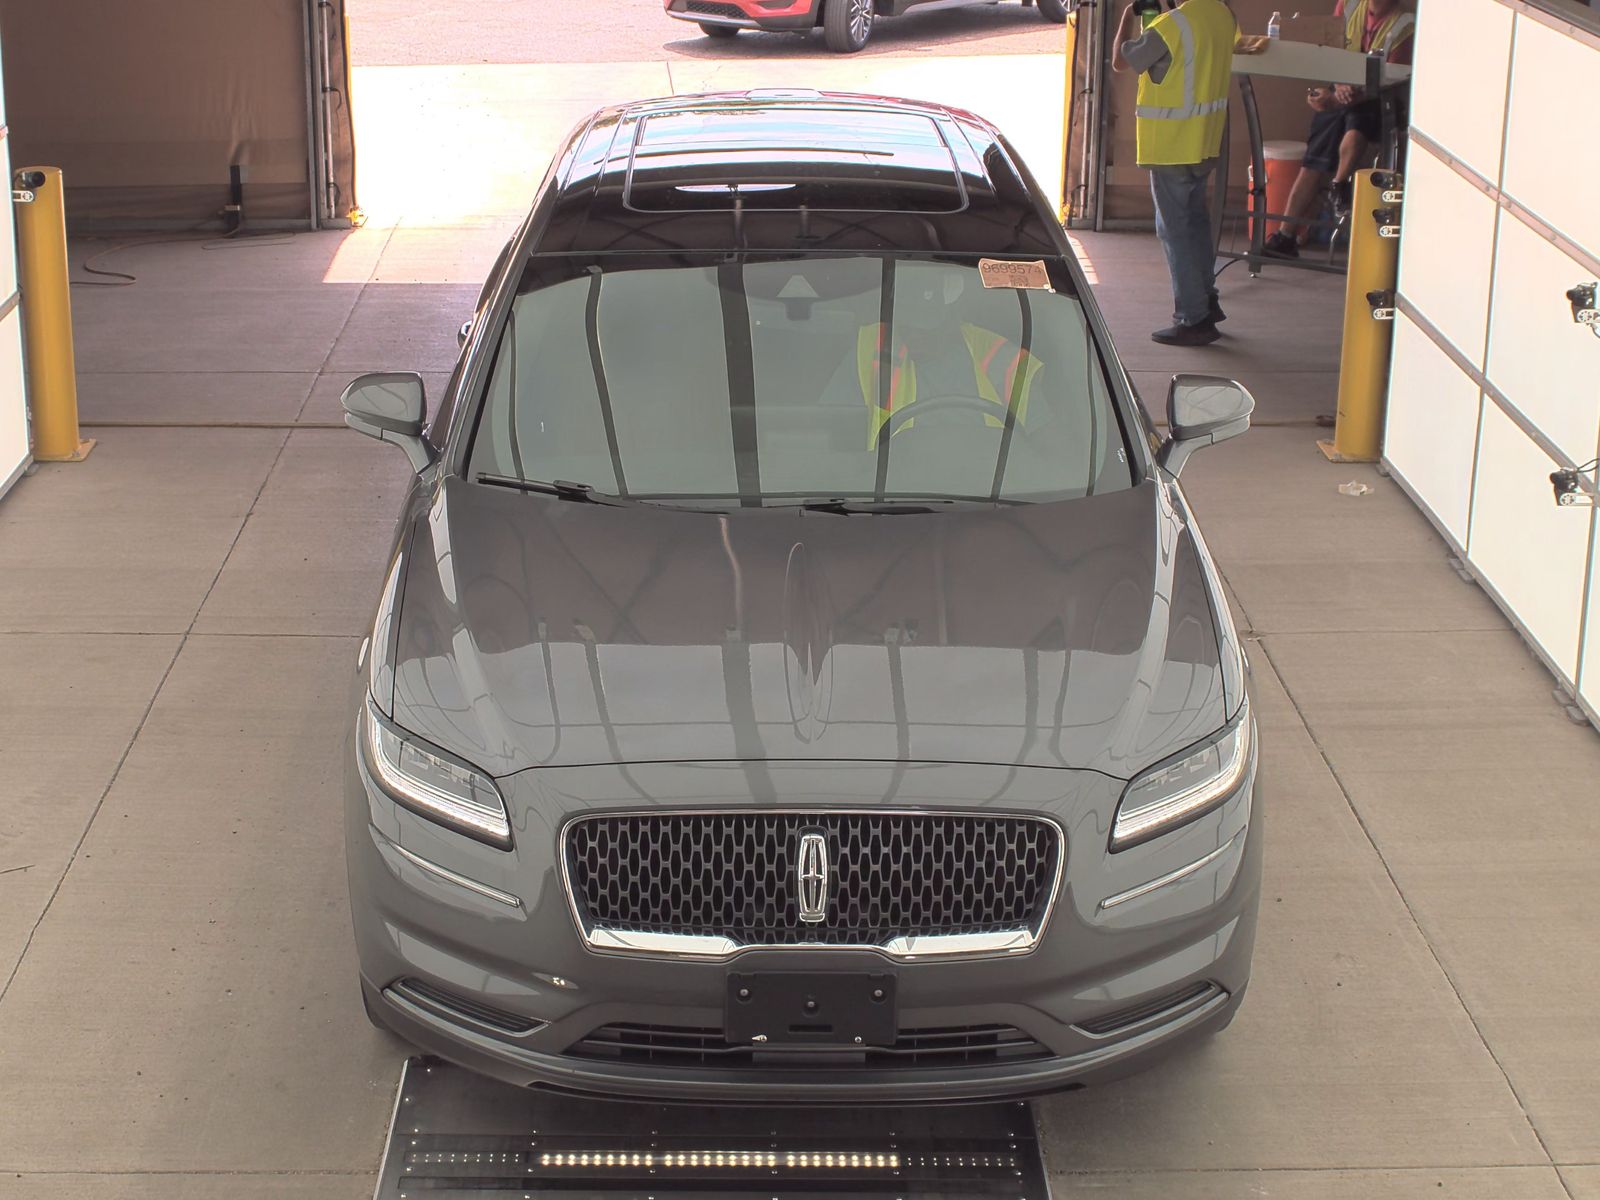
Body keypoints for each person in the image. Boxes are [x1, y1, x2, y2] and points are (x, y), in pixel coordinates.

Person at [1113, 0, 1240, 347]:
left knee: (1176, 232)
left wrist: (1128, 14)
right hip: (1204, 141)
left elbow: (1121, 61)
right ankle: (1206, 301)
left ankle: (1193, 317)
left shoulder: (1171, 26)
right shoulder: (1223, 15)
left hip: (1173, 145)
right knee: (1195, 224)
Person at [1263, 0, 1415, 258]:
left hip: (1380, 102)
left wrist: (1337, 97)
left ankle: (1339, 186)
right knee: (1313, 159)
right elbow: (1330, 53)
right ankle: (1285, 236)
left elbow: (1393, 79)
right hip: (1342, 92)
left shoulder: (1405, 25)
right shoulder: (1348, 6)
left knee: (1355, 130)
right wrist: (1332, 89)